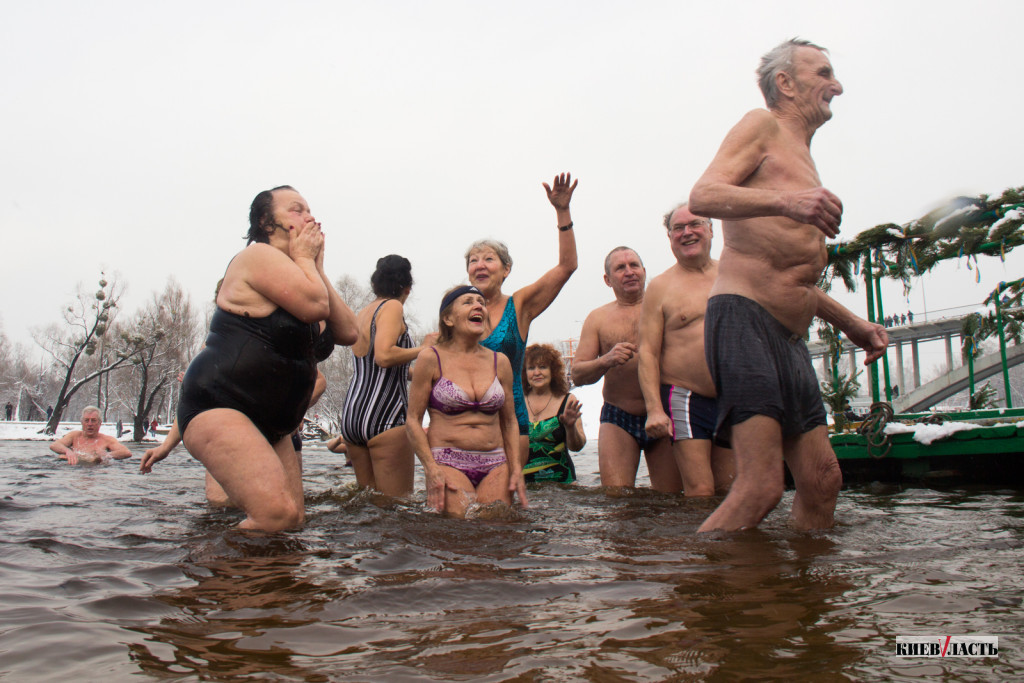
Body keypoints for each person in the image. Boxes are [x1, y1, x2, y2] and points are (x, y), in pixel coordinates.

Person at [688, 38, 888, 531]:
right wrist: (787, 204)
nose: (836, 86)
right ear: (785, 83)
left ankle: (803, 597)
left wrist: (852, 324)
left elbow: (791, 273)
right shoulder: (762, 126)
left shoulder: (803, 155)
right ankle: (697, 592)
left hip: (789, 336)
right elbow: (703, 194)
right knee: (761, 486)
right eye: (823, 73)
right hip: (743, 320)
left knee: (822, 481)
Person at [174, 185, 357, 531]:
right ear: (265, 220)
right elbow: (315, 306)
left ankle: (264, 584)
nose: (308, 217)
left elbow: (348, 332)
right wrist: (305, 260)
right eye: (296, 209)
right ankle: (210, 576)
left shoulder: (304, 275)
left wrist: (316, 265)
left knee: (293, 524)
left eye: (309, 210)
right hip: (221, 405)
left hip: (275, 423)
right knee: (276, 516)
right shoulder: (257, 256)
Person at [469, 173, 579, 461]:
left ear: (506, 269)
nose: (480, 265)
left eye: (489, 259)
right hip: (465, 421)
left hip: (509, 419)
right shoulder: (457, 312)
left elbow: (567, 266)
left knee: (504, 503)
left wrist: (562, 211)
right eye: (473, 260)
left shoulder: (519, 305)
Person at [639, 204, 734, 497]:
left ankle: (735, 544)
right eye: (678, 228)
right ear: (670, 238)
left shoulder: (734, 273)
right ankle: (701, 545)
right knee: (700, 490)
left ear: (710, 230)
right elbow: (647, 352)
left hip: (734, 394)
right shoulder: (661, 286)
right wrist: (655, 409)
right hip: (685, 396)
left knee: (732, 488)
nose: (687, 232)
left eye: (694, 224)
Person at [407, 285, 527, 517]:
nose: (478, 306)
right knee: (460, 530)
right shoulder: (430, 358)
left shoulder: (499, 361)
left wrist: (516, 468)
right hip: (447, 460)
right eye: (468, 301)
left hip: (495, 461)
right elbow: (412, 420)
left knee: (496, 527)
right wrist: (431, 469)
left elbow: (510, 421)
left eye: (481, 302)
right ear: (448, 318)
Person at [572, 247, 677, 491]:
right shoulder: (598, 318)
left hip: (664, 411)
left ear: (644, 271)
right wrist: (605, 360)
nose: (629, 272)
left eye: (634, 265)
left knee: (671, 500)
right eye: (620, 268)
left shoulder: (666, 308)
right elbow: (578, 373)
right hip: (618, 415)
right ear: (608, 280)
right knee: (616, 498)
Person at [338, 255, 437, 496]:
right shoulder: (392, 307)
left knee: (368, 505)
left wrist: (424, 376)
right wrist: (426, 350)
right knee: (396, 508)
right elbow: (384, 356)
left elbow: (379, 366)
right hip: (386, 415)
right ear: (407, 288)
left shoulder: (363, 312)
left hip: (353, 414)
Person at [522, 343, 586, 484]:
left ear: (553, 371)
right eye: (531, 368)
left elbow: (577, 446)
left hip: (562, 486)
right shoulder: (517, 402)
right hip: (525, 489)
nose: (537, 372)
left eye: (543, 367)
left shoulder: (567, 400)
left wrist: (570, 428)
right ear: (524, 373)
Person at [50, 406, 132, 464]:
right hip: (74, 470)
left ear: (99, 423)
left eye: (93, 421)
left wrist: (105, 456)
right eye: (86, 420)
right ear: (82, 423)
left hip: (97, 472)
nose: (90, 424)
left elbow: (126, 452)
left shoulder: (107, 440)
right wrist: (68, 451)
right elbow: (54, 445)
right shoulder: (74, 436)